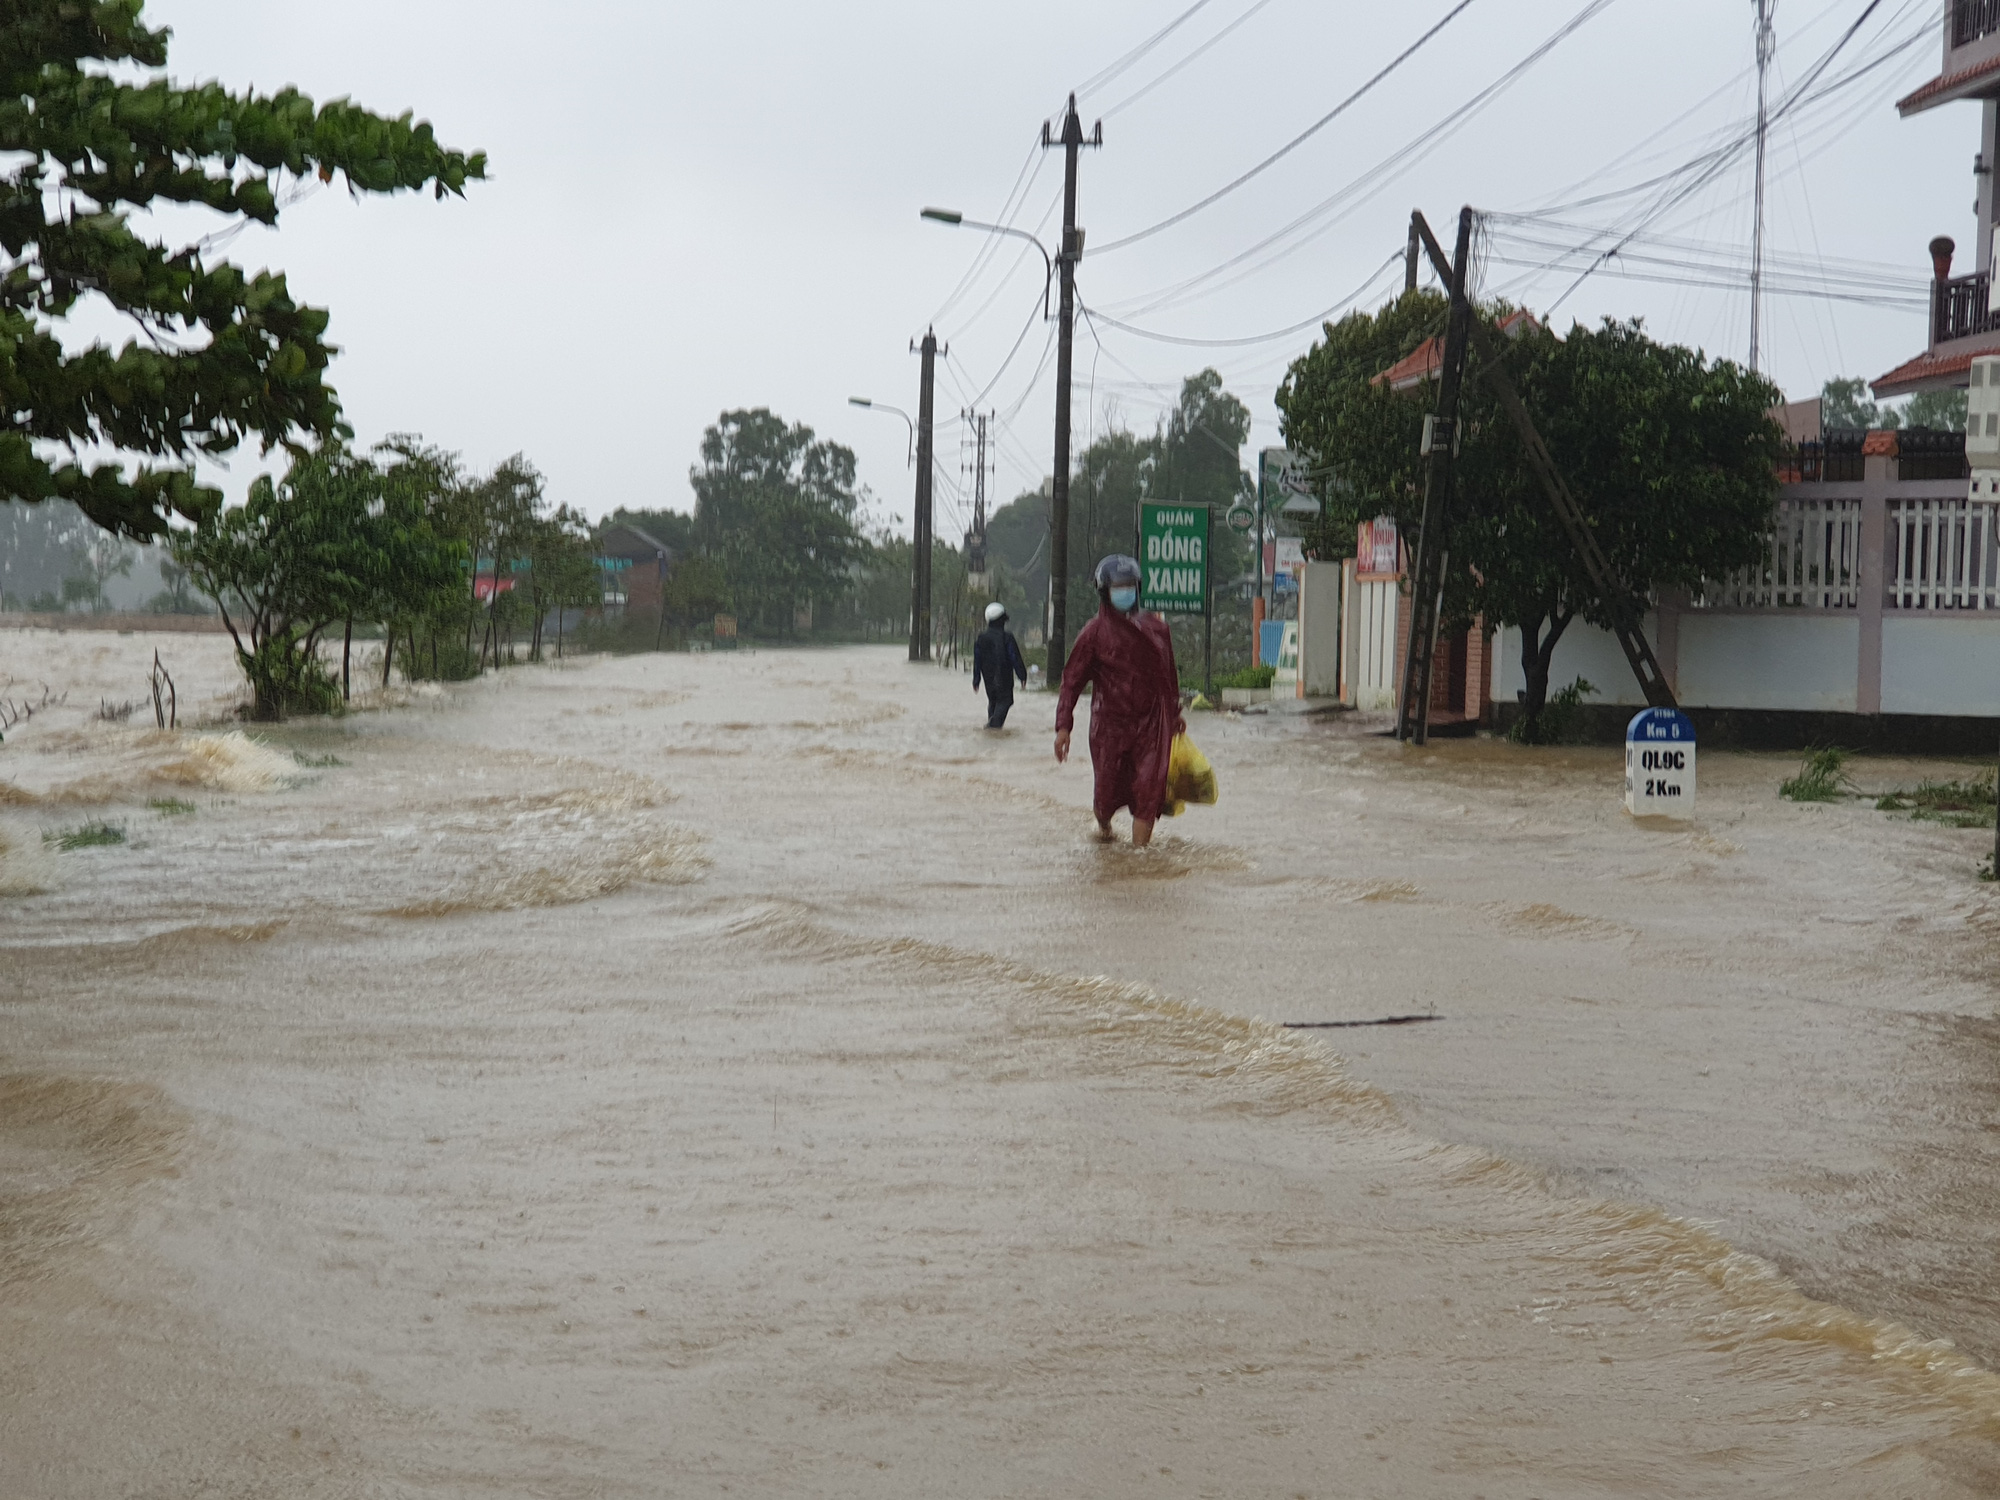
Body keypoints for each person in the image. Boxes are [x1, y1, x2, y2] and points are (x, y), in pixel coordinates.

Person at [1054, 554, 1185, 847]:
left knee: (1148, 792)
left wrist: (1174, 715)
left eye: (1130, 586)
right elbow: (1071, 682)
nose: (1125, 592)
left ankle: (1139, 861)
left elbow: (1169, 677)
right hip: (1109, 728)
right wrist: (1063, 727)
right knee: (1106, 795)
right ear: (1104, 591)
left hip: (1151, 724)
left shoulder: (1157, 630)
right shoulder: (1093, 634)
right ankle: (1103, 826)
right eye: (1118, 587)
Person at [971, 601, 1028, 729]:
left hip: (988, 680)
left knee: (993, 701)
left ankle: (993, 731)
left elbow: (977, 661)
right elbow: (1014, 658)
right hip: (1004, 679)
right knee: (1005, 701)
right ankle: (992, 727)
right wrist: (1022, 675)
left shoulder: (981, 638)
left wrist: (976, 680)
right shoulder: (1007, 637)